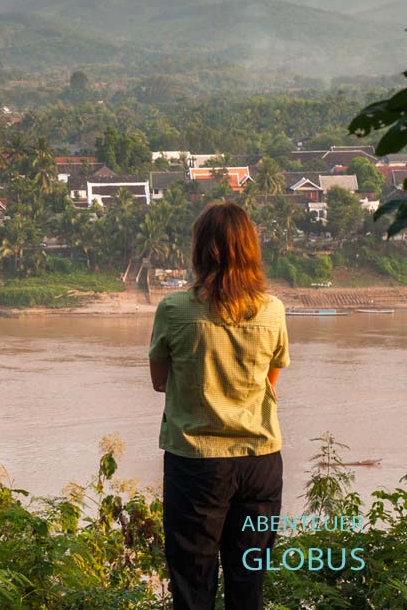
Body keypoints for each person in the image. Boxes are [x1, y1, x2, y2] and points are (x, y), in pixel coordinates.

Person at [148, 202, 289, 610]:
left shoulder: (174, 309)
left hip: (197, 464)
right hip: (260, 462)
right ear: (251, 250)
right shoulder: (273, 310)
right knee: (248, 586)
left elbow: (160, 381)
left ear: (200, 250)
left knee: (193, 587)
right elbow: (270, 381)